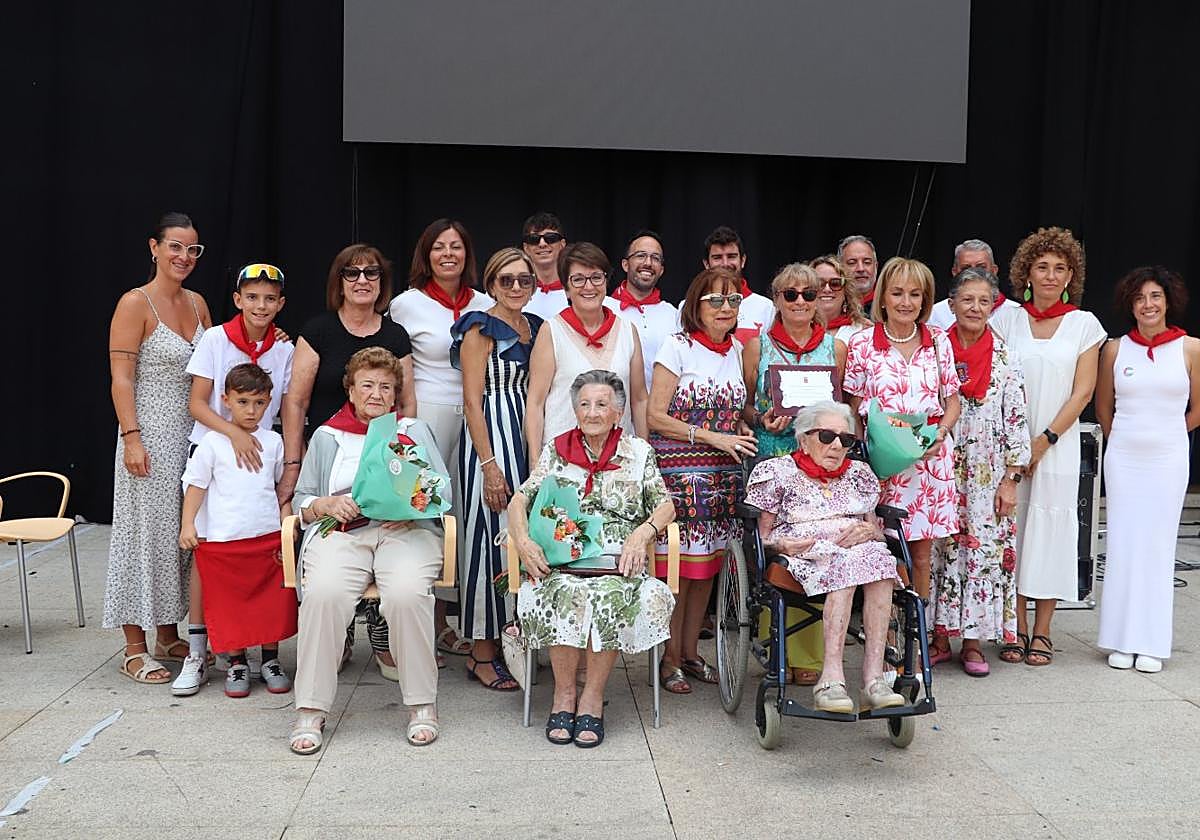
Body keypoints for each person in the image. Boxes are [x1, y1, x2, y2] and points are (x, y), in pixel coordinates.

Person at [289, 348, 449, 753]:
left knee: (406, 593)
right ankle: (311, 709)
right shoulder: (329, 435)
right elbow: (302, 499)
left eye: (386, 387)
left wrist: (415, 506)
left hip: (406, 530)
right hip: (343, 530)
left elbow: (441, 488)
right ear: (351, 389)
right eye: (368, 385)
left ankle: (421, 705)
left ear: (396, 394)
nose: (376, 394)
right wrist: (326, 505)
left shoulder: (412, 429)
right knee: (324, 593)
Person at [508, 371, 676, 747]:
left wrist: (643, 533)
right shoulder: (557, 449)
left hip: (620, 559)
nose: (593, 412)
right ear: (574, 410)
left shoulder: (638, 453)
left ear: (618, 412)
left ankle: (592, 697)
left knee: (610, 595)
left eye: (602, 404)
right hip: (564, 557)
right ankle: (563, 695)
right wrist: (522, 539)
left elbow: (665, 506)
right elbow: (521, 499)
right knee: (562, 592)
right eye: (584, 404)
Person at [282, 243, 416, 677]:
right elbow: (296, 402)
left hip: (382, 461)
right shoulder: (318, 330)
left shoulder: (394, 335)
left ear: (382, 282)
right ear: (338, 281)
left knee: (386, 540)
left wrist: (404, 465)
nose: (362, 280)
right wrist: (293, 464)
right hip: (330, 457)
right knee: (332, 542)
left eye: (371, 273)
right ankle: (338, 633)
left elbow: (407, 404)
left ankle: (380, 629)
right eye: (352, 273)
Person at [173, 262, 294, 696]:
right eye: (253, 297)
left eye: (270, 298)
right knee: (209, 558)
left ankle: (260, 654)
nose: (261, 306)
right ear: (238, 299)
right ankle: (198, 652)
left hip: (259, 457)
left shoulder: (283, 347)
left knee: (259, 564)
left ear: (280, 304)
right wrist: (233, 433)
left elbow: (282, 405)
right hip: (217, 450)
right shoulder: (215, 338)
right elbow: (198, 403)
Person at [105, 212, 213, 685]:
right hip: (148, 433)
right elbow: (121, 378)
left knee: (180, 537)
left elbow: (219, 358)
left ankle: (169, 633)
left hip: (193, 437)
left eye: (192, 249)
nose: (183, 257)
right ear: (154, 247)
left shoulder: (197, 303)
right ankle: (134, 646)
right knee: (142, 536)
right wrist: (131, 436)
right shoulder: (135, 303)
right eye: (175, 247)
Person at [990, 227, 1106, 667]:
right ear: (1027, 272)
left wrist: (1043, 441)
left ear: (1071, 274)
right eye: (1043, 267)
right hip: (1008, 444)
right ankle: (1014, 628)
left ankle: (1042, 631)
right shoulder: (1006, 319)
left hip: (1057, 443)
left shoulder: (1084, 324)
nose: (1051, 275)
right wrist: (1018, 446)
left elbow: (1082, 393)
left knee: (1051, 531)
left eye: (1061, 268)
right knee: (1012, 531)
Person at [744, 401, 904, 713]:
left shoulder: (859, 474)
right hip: (808, 552)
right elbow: (762, 536)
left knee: (881, 563)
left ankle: (874, 679)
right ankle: (830, 679)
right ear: (803, 438)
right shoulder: (777, 472)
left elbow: (874, 528)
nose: (836, 446)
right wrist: (785, 545)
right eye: (827, 437)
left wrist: (872, 534)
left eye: (845, 440)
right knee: (845, 564)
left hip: (859, 549)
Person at [648, 267, 758, 693]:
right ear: (696, 304)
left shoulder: (738, 351)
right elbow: (655, 415)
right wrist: (710, 435)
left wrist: (749, 425)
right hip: (681, 473)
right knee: (679, 570)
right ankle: (668, 658)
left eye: (733, 301)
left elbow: (739, 409)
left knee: (708, 571)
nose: (725, 309)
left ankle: (692, 653)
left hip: (724, 473)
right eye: (716, 300)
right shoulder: (676, 347)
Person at [390, 219, 494, 660]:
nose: (448, 254)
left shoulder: (488, 303)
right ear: (425, 254)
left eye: (456, 246)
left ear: (468, 254)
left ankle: (451, 622)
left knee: (466, 518)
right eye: (438, 247)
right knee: (427, 514)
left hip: (479, 417)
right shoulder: (405, 304)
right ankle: (422, 623)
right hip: (426, 418)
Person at [740, 262, 844, 686]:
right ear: (777, 299)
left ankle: (814, 652)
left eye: (808, 294)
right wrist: (761, 417)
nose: (800, 302)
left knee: (821, 546)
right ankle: (776, 644)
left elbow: (844, 411)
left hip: (821, 467)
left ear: (820, 298)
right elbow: (744, 405)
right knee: (780, 552)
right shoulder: (757, 347)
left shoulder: (835, 348)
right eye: (790, 295)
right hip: (774, 460)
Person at [1095, 266, 1200, 673]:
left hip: (1169, 459)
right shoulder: (1116, 349)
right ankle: (1120, 639)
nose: (1148, 304)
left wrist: (1168, 433)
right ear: (1131, 304)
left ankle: (1152, 643)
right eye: (1140, 298)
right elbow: (1104, 408)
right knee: (1123, 543)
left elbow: (1197, 409)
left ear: (1168, 301)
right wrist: (1125, 437)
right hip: (1124, 459)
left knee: (1157, 547)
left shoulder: (1191, 348)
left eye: (1155, 296)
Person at [929, 268, 1031, 676]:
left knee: (982, 554)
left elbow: (1017, 420)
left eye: (983, 301)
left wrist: (1011, 479)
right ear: (951, 304)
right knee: (940, 549)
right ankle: (938, 636)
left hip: (988, 474)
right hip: (940, 465)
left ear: (993, 307)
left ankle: (972, 643)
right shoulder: (935, 349)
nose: (975, 307)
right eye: (966, 300)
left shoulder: (1006, 356)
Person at [843, 257, 961, 608]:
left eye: (915, 294)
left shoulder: (939, 341)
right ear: (882, 298)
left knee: (922, 557)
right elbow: (852, 407)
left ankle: (916, 639)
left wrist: (939, 434)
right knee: (886, 554)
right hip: (885, 466)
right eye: (897, 293)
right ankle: (889, 643)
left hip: (929, 463)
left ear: (925, 301)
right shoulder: (863, 343)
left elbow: (952, 401)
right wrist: (868, 451)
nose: (906, 302)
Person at [451, 248, 542, 691]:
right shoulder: (478, 326)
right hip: (491, 437)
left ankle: (516, 638)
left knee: (523, 535)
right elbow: (471, 400)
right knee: (487, 538)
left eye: (524, 280)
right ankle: (481, 651)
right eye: (506, 280)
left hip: (525, 434)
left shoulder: (536, 326)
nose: (516, 288)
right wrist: (489, 466)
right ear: (491, 283)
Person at [525, 242, 649, 455]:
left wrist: (644, 455)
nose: (589, 287)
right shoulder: (552, 331)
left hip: (618, 459)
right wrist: (536, 463)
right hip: (564, 459)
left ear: (606, 281)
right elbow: (535, 404)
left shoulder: (628, 331)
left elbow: (639, 400)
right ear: (566, 287)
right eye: (578, 279)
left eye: (596, 277)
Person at [613, 229, 681, 387]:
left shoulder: (673, 315)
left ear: (662, 270)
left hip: (660, 409)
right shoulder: (604, 308)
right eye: (641, 255)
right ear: (625, 264)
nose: (648, 263)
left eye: (655, 258)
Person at [701, 226, 775, 343]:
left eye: (731, 256)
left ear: (743, 261)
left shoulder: (765, 307)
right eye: (717, 258)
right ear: (706, 264)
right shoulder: (690, 305)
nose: (725, 264)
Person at [927, 239, 1021, 330]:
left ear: (994, 270)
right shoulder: (935, 313)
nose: (974, 273)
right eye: (966, 268)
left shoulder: (1016, 312)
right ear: (954, 272)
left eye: (981, 268)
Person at [521, 211, 572, 321]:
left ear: (562, 244)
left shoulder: (580, 289)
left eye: (551, 238)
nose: (542, 244)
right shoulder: (511, 290)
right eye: (534, 239)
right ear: (526, 248)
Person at [811, 254, 872, 345]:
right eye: (819, 283)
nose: (827, 289)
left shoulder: (865, 331)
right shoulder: (794, 327)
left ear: (846, 291)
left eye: (835, 283)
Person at [837, 235, 879, 309]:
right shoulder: (831, 303)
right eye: (852, 263)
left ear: (876, 267)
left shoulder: (887, 304)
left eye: (867, 262)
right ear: (840, 268)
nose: (861, 269)